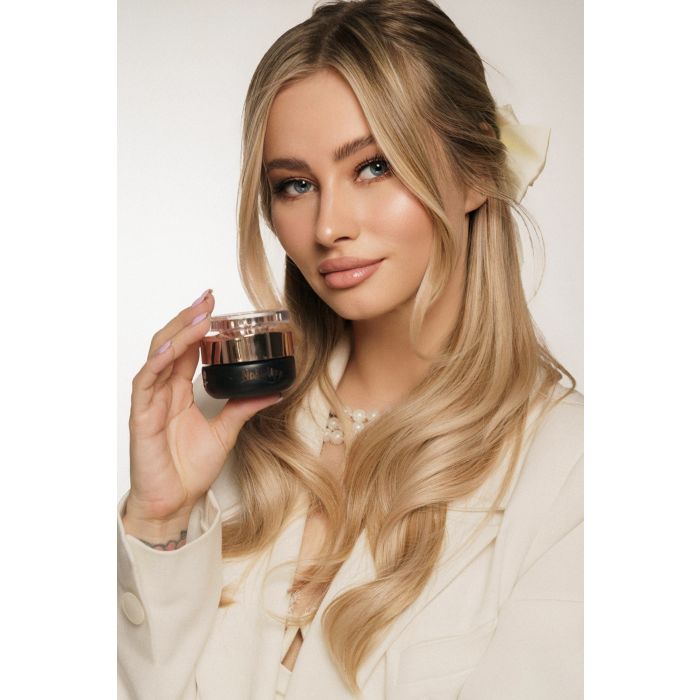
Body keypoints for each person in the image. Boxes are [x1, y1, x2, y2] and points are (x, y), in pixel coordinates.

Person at [118, 1, 583, 698]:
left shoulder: (572, 471)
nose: (328, 226)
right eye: (295, 185)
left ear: (475, 171)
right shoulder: (224, 436)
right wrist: (160, 522)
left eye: (373, 166)